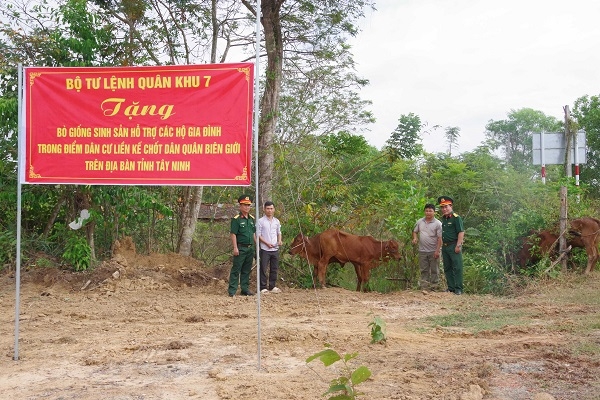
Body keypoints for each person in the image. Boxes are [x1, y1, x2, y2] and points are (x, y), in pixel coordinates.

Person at [228, 195, 256, 297]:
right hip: (241, 247)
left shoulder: (252, 219)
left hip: (250, 248)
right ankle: (232, 290)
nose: (247, 207)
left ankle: (244, 289)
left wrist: (256, 246)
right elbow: (233, 234)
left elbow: (253, 234)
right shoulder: (237, 219)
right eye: (245, 205)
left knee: (246, 270)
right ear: (240, 206)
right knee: (236, 269)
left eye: (248, 205)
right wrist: (235, 247)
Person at [438, 196, 465, 295]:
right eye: (442, 207)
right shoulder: (444, 219)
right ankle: (451, 287)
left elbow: (461, 232)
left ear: (451, 206)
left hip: (454, 245)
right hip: (445, 246)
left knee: (457, 267)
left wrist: (458, 245)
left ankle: (458, 288)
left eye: (446, 207)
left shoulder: (456, 218)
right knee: (447, 267)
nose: (444, 209)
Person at [412, 203, 442, 291]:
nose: (428, 213)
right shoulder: (420, 221)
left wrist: (437, 251)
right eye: (426, 211)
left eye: (430, 211)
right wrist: (415, 238)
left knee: (434, 270)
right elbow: (415, 231)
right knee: (424, 269)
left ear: (434, 212)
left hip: (433, 250)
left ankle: (434, 287)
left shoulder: (438, 224)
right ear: (424, 212)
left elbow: (440, 238)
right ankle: (424, 287)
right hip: (422, 250)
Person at [257, 201, 283, 294]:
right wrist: (266, 243)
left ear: (274, 209)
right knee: (263, 268)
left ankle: (272, 286)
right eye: (268, 208)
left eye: (271, 208)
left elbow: (279, 232)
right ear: (264, 209)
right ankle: (262, 287)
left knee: (274, 268)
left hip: (275, 249)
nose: (269, 210)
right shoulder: (260, 221)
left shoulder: (276, 221)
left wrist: (279, 241)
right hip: (265, 249)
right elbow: (258, 235)